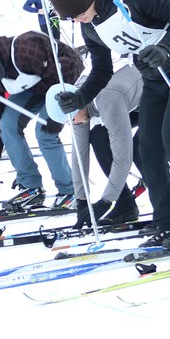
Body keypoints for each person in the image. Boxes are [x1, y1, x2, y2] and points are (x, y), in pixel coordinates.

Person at [46, 0, 170, 251]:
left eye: (79, 10)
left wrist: (165, 48)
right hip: (154, 76)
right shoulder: (91, 25)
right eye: (71, 16)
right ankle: (166, 220)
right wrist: (81, 97)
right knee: (146, 147)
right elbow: (101, 70)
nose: (78, 19)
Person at [0, 31, 82, 211]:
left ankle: (70, 191)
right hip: (36, 87)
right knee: (6, 125)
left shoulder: (24, 50)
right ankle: (31, 186)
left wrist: (59, 109)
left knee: (45, 132)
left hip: (62, 79)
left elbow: (68, 67)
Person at [67, 63, 143, 230]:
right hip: (127, 100)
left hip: (157, 95)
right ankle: (125, 205)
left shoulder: (106, 100)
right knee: (99, 138)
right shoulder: (74, 103)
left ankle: (166, 210)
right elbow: (79, 155)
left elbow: (123, 158)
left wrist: (105, 201)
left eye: (71, 120)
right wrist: (81, 200)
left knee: (141, 150)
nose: (72, 124)